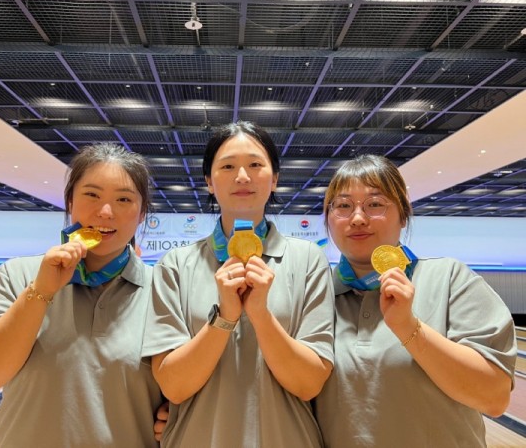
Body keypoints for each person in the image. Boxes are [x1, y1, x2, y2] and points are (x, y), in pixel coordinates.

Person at [0, 143, 163, 447]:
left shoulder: (162, 290)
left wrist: (175, 412)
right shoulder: (16, 275)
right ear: (70, 202)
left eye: (124, 199)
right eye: (91, 194)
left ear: (142, 214)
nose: (105, 212)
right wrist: (40, 292)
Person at [142, 121, 335, 447]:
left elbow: (308, 384)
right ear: (208, 181)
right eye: (228, 166)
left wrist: (259, 313)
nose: (242, 176)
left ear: (274, 179)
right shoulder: (175, 265)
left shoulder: (308, 260)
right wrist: (224, 317)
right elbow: (173, 387)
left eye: (256, 165)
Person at [314, 154, 517, 447]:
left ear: (403, 214)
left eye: (375, 204)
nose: (357, 218)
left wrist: (409, 328)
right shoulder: (316, 294)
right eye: (343, 206)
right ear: (329, 219)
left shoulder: (449, 278)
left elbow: (494, 397)